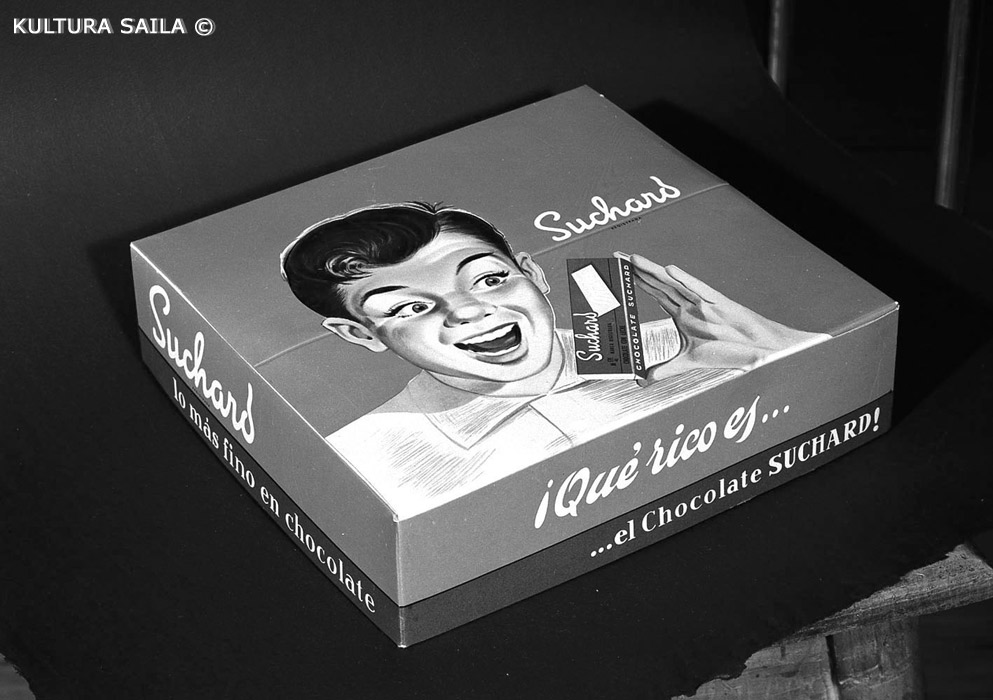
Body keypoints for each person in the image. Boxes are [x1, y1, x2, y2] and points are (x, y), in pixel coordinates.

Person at [281, 202, 828, 515]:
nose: (469, 311)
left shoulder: (708, 344)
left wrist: (788, 354)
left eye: (490, 279)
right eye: (411, 307)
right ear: (359, 334)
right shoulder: (362, 461)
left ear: (533, 274)